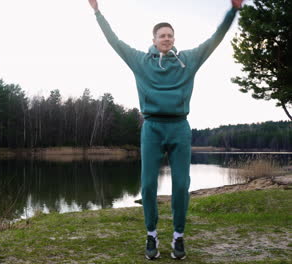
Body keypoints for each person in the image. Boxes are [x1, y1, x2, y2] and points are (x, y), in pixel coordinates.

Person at [87, 0, 243, 260]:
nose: (167, 39)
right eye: (162, 35)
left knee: (181, 185)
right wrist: (97, 13)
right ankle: (151, 235)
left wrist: (233, 11)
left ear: (174, 38)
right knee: (148, 186)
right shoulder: (141, 61)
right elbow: (114, 42)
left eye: (170, 35)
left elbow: (215, 39)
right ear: (154, 39)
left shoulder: (188, 60)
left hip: (180, 127)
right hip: (152, 128)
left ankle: (178, 238)